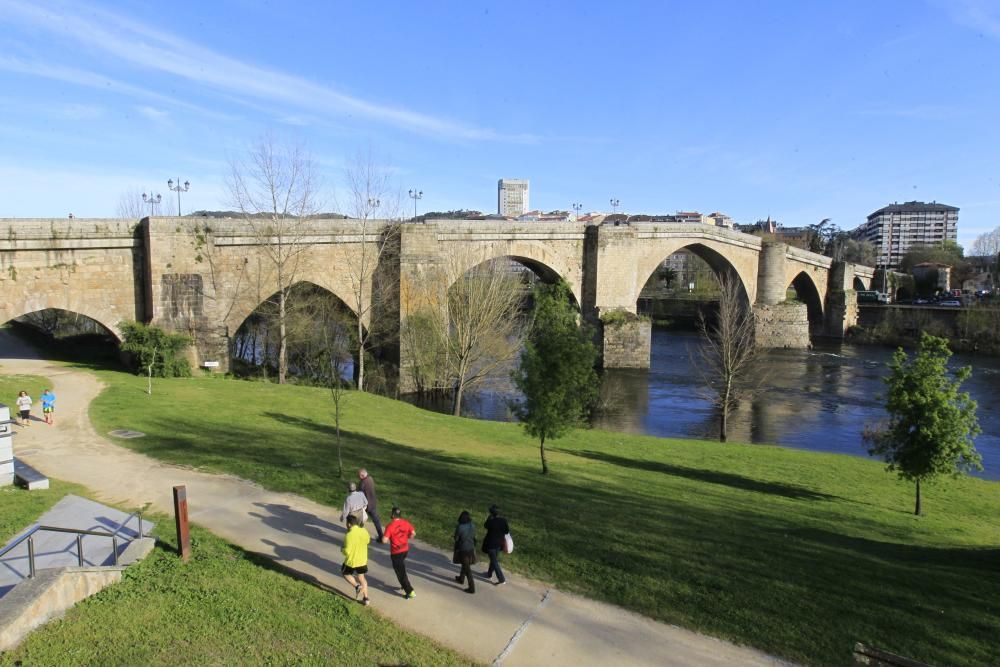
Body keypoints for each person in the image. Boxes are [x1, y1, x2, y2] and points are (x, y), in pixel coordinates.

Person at [382, 506, 417, 599]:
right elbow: (413, 533)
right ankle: (404, 584)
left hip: (396, 553)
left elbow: (384, 540)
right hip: (405, 550)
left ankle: (410, 591)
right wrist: (407, 537)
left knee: (400, 573)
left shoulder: (390, 526)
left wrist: (383, 538)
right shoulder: (405, 523)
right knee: (402, 568)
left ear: (393, 515)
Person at [341, 514, 371, 606]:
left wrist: (342, 549)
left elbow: (347, 552)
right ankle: (366, 599)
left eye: (346, 523)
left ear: (349, 524)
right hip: (362, 560)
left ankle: (357, 587)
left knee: (345, 573)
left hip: (352, 562)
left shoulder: (348, 535)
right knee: (362, 578)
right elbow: (368, 541)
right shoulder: (364, 531)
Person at [482, 504, 510, 586]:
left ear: (491, 513)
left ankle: (501, 579)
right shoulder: (503, 520)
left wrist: (489, 518)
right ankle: (489, 574)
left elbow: (485, 526)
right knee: (493, 560)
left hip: (491, 544)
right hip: (499, 544)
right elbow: (506, 531)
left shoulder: (491, 521)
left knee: (494, 561)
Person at [453, 510, 477, 594]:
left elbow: (456, 538)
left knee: (467, 569)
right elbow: (474, 536)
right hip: (471, 548)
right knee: (465, 564)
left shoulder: (460, 527)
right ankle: (461, 578)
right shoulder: (473, 525)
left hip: (463, 549)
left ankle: (472, 588)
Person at [358, 468, 383, 542]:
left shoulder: (363, 483)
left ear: (362, 475)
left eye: (359, 475)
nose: (358, 477)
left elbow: (360, 493)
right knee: (376, 520)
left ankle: (359, 534)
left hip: (366, 505)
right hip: (373, 503)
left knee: (360, 519)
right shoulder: (370, 478)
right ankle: (381, 535)